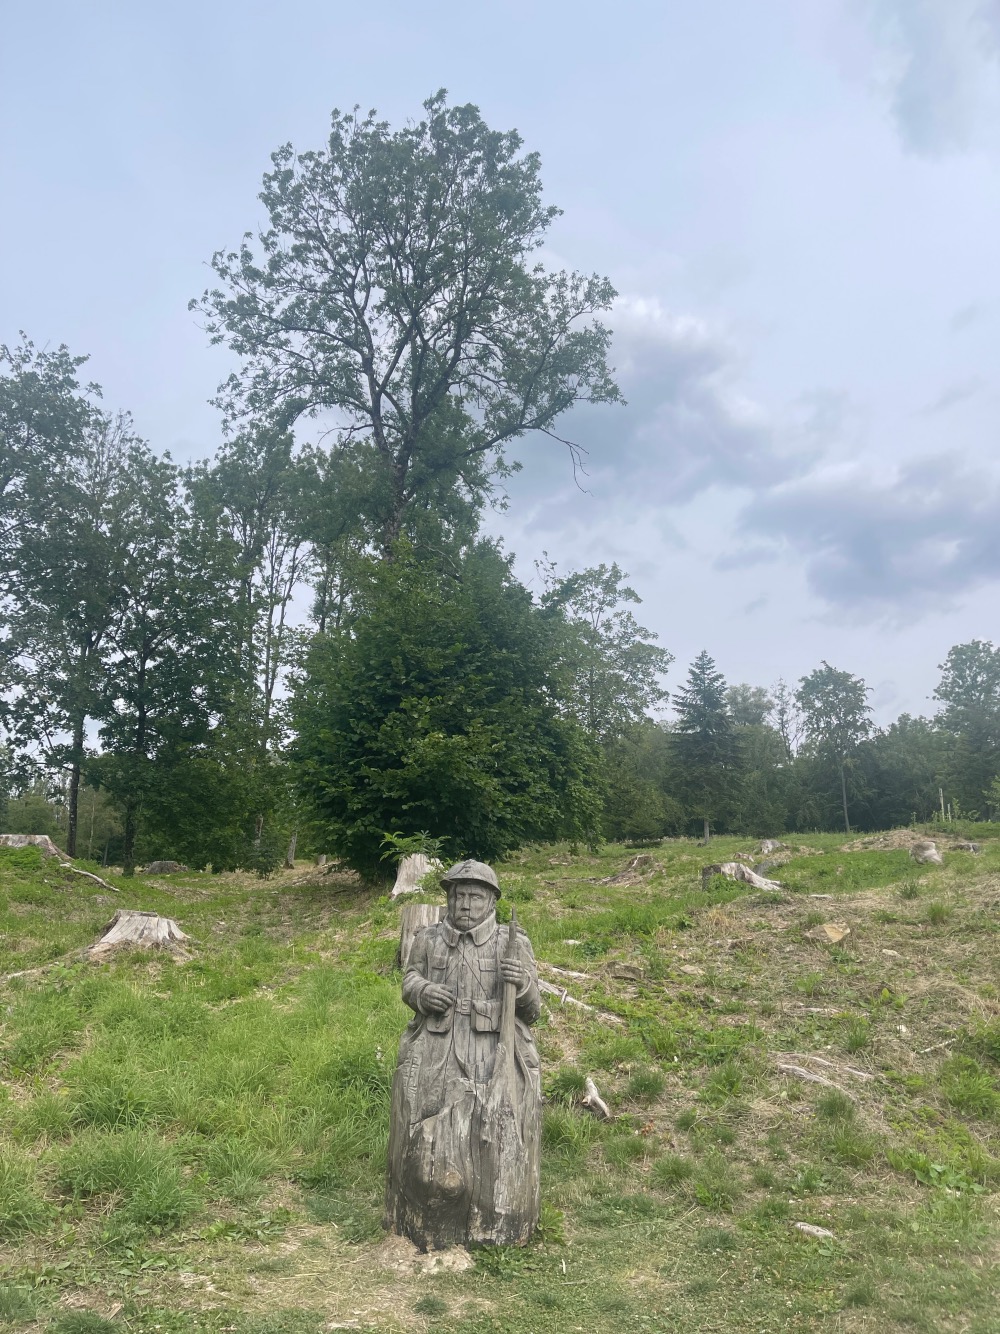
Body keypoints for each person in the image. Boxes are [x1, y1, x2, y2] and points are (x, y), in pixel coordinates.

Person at [384, 859, 542, 1249]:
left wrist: (519, 984)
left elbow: (533, 1009)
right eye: (458, 896)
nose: (465, 905)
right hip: (437, 1046)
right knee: (425, 1119)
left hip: (490, 1050)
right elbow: (410, 979)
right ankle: (424, 1208)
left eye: (474, 896)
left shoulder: (513, 942)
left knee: (494, 1127)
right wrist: (422, 992)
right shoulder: (429, 939)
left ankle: (495, 1217)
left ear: (491, 901)